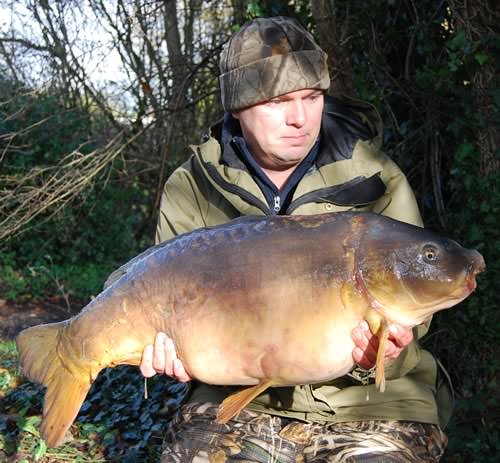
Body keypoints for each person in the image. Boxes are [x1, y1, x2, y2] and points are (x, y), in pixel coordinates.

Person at [140, 16, 452, 462]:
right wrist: (169, 349)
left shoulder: (376, 178)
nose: (299, 118)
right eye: (279, 101)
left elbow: (414, 313)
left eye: (312, 96)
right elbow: (162, 309)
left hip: (372, 402)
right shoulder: (191, 188)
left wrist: (387, 350)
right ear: (238, 107)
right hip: (240, 397)